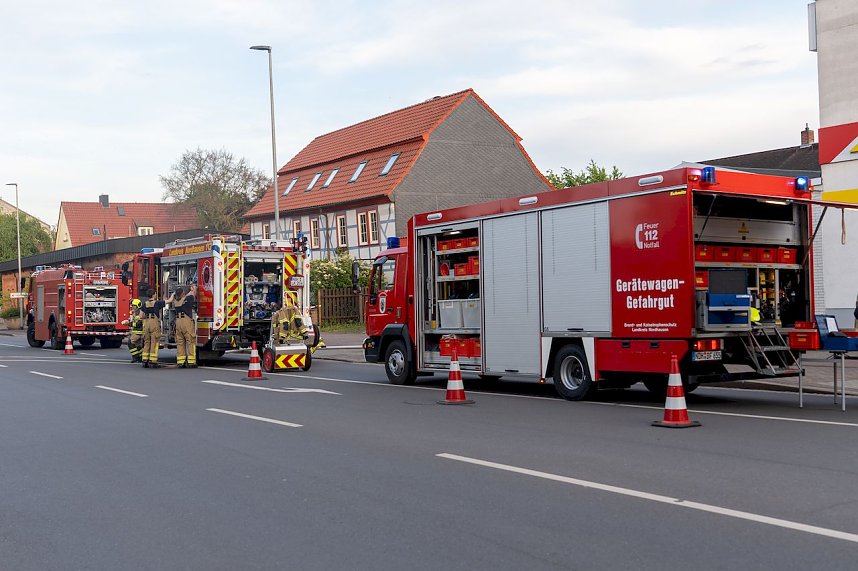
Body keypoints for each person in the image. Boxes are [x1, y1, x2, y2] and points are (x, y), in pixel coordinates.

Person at [141, 288, 165, 368]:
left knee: (147, 342)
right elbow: (169, 301)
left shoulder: (145, 304)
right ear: (154, 295)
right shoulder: (157, 303)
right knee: (154, 342)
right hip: (154, 324)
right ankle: (153, 361)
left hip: (147, 323)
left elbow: (141, 316)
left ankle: (145, 360)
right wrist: (173, 295)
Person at [174, 284, 197, 368]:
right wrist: (193, 288)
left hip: (178, 322)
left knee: (180, 342)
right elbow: (193, 294)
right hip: (186, 322)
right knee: (190, 340)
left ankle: (181, 362)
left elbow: (183, 297)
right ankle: (191, 362)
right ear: (183, 293)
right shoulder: (189, 299)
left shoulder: (176, 301)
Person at [121, 298, 144, 363]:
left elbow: (139, 324)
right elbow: (133, 321)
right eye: (132, 305)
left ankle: (135, 357)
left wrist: (128, 323)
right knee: (137, 345)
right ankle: (140, 357)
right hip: (136, 332)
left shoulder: (141, 313)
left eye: (133, 305)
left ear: (138, 306)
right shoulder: (135, 312)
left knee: (130, 343)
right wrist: (127, 321)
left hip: (140, 332)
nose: (132, 307)